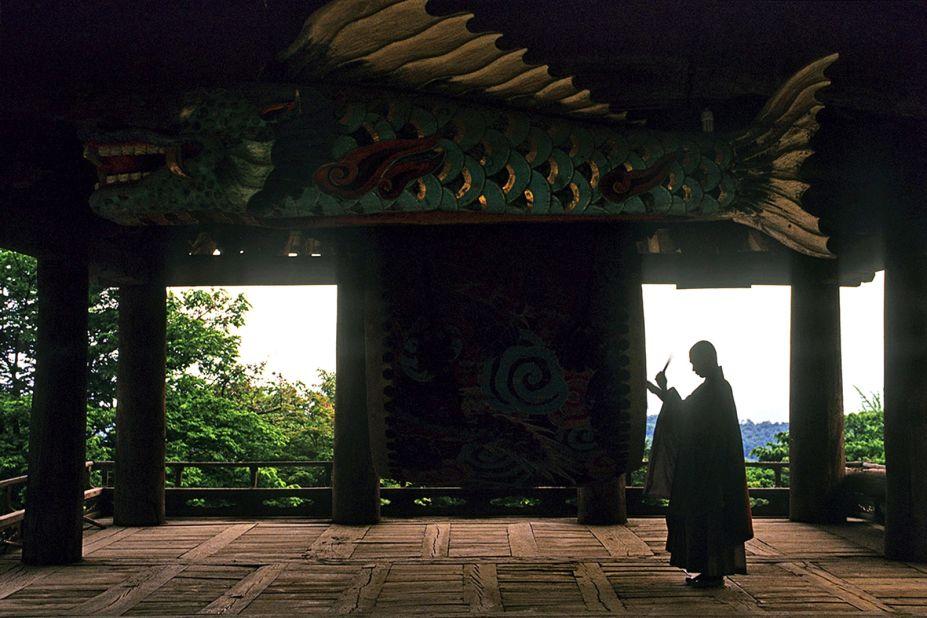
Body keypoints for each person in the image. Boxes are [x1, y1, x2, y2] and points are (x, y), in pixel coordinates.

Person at [646, 340, 753, 588]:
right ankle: (711, 570)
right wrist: (662, 390)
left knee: (709, 519)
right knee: (708, 519)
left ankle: (713, 572)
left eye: (694, 363)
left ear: (706, 358)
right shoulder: (715, 388)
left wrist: (664, 392)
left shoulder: (715, 390)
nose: (693, 369)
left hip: (710, 469)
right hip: (711, 467)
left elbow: (685, 416)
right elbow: (688, 414)